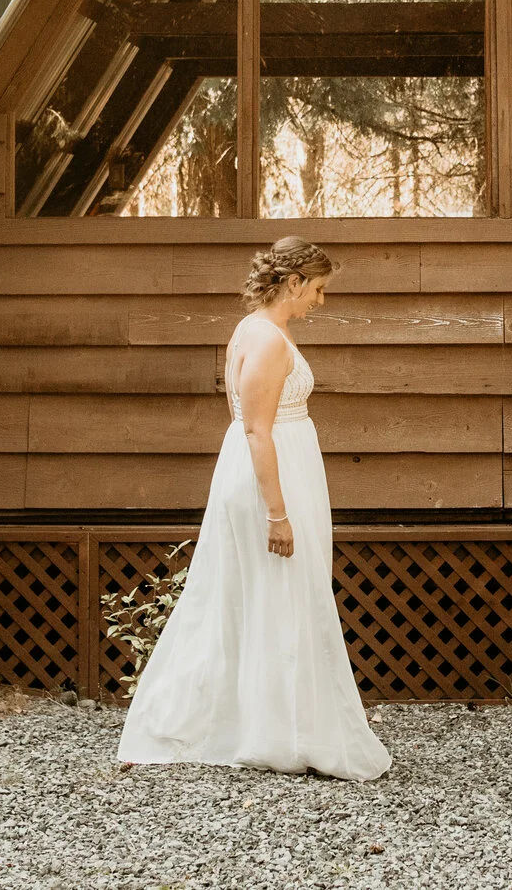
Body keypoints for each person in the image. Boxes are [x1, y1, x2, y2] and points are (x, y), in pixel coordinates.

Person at [115, 237, 390, 780]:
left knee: (264, 596)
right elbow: (256, 429)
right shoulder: (266, 339)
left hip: (270, 471)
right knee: (282, 594)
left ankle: (268, 722)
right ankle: (281, 733)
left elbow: (239, 415)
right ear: (293, 282)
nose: (320, 300)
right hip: (272, 480)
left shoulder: (251, 329)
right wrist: (277, 513)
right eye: (317, 289)